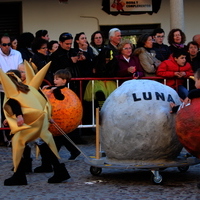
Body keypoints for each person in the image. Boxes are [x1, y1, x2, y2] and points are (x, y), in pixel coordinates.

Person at [1, 62, 70, 185]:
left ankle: (19, 175)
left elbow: (14, 103)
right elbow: (42, 101)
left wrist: (19, 116)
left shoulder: (13, 91)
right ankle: (59, 170)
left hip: (29, 123)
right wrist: (48, 117)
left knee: (19, 144)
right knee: (44, 143)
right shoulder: (28, 89)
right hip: (40, 122)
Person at [34, 69, 81, 173]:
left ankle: (49, 162)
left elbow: (60, 96)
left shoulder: (62, 90)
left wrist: (53, 90)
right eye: (54, 78)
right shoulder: (55, 88)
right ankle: (72, 151)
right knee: (61, 138)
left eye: (57, 79)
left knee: (55, 141)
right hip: (55, 121)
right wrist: (47, 88)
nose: (54, 80)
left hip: (59, 120)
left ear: (64, 81)